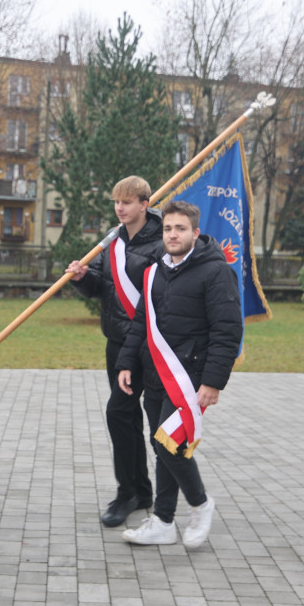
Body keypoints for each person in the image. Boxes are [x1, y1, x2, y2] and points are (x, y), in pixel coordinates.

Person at [115, 200, 242, 549]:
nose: (172, 234)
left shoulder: (217, 272)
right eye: (168, 228)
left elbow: (227, 331)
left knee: (169, 445)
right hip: (155, 376)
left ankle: (200, 505)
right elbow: (142, 322)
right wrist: (127, 363)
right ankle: (163, 521)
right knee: (163, 448)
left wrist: (213, 382)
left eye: (180, 228)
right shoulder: (155, 271)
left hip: (189, 381)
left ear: (195, 233)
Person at [67, 176, 162, 527]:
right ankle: (135, 490)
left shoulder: (162, 242)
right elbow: (100, 287)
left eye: (127, 201)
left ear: (144, 204)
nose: (120, 208)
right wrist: (81, 278)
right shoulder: (112, 241)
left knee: (141, 417)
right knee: (123, 415)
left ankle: (147, 491)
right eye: (116, 201)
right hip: (118, 344)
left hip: (153, 347)